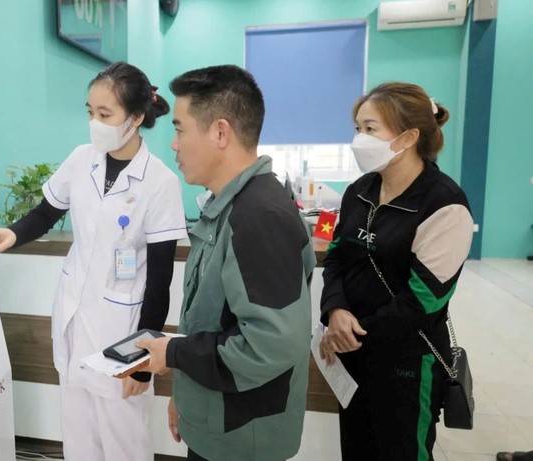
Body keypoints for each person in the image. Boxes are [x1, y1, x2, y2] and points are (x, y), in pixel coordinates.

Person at [0, 61, 187, 461]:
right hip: (73, 321)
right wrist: (12, 233)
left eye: (105, 114)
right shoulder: (82, 159)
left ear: (136, 117)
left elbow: (159, 281)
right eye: (90, 112)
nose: (94, 123)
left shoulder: (160, 183)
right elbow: (45, 213)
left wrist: (141, 361)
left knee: (124, 443)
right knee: (79, 440)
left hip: (122, 336)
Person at [136, 65, 316, 461]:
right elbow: (207, 317)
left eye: (180, 130)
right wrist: (185, 394)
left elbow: (267, 345)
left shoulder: (259, 217)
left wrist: (173, 354)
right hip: (215, 414)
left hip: (240, 434)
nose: (173, 145)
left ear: (220, 133)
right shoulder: (228, 206)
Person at [318, 82, 474, 461]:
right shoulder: (359, 190)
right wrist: (335, 311)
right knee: (357, 450)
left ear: (408, 137)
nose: (359, 139)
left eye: (370, 129)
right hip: (352, 357)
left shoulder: (444, 203)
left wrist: (349, 334)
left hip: (407, 365)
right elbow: (336, 257)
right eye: (357, 128)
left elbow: (423, 301)